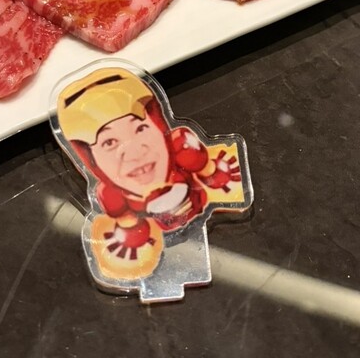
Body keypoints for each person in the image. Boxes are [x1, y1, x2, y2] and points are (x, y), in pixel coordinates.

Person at [55, 65, 249, 292]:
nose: (135, 152)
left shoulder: (185, 150)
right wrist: (129, 234)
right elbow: (124, 227)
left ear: (159, 127)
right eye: (109, 142)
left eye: (140, 129)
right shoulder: (112, 197)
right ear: (92, 162)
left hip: (227, 244)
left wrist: (210, 170)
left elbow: (214, 172)